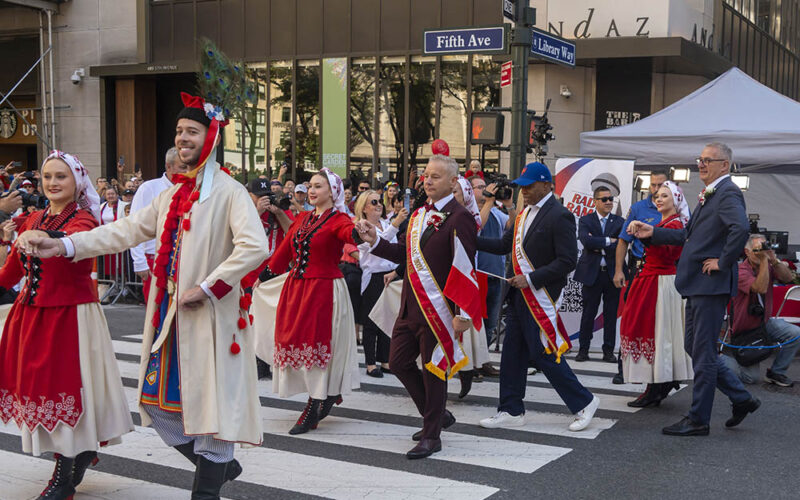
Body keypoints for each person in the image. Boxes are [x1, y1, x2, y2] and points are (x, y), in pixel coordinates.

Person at [24, 93, 270, 497]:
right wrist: (63, 245)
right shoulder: (172, 194)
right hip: (169, 319)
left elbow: (254, 247)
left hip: (211, 321)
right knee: (157, 406)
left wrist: (208, 288)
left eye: (192, 131)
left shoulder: (229, 192)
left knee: (213, 411)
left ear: (211, 138)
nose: (183, 138)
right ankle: (221, 466)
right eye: (179, 131)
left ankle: (209, 481)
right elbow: (123, 231)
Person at [2, 151, 133, 500]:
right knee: (44, 393)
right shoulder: (31, 220)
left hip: (70, 318)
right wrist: (11, 242)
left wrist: (47, 240)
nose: (53, 183)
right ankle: (77, 454)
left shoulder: (84, 220)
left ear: (76, 181)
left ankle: (64, 474)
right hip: (31, 317)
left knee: (67, 392)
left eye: (60, 176)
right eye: (47, 177)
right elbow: (10, 274)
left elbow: (75, 243)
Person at [629, 142, 760, 436]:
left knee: (701, 352)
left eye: (708, 160)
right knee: (695, 348)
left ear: (725, 165)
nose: (701, 164)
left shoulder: (726, 191)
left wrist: (723, 262)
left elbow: (740, 229)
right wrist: (655, 233)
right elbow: (690, 235)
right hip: (700, 284)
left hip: (709, 284)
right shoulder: (712, 193)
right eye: (700, 160)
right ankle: (742, 399)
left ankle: (698, 418)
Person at [355, 154, 477, 459]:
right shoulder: (421, 213)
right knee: (398, 362)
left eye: (435, 176)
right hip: (410, 304)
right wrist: (374, 241)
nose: (427, 180)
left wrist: (462, 313)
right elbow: (404, 254)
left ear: (452, 181)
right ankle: (436, 415)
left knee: (434, 370)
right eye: (425, 175)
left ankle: (431, 435)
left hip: (438, 308)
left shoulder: (460, 216)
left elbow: (464, 266)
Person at [476, 162, 600, 432]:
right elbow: (501, 246)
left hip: (540, 296)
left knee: (543, 353)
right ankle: (511, 409)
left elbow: (567, 260)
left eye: (530, 186)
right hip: (519, 296)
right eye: (522, 186)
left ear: (546, 185)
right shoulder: (522, 215)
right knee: (512, 354)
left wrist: (531, 278)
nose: (525, 191)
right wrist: (467, 239)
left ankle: (584, 402)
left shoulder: (560, 215)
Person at [254, 168, 360, 435]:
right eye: (311, 186)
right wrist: (264, 276)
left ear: (332, 192)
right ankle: (325, 393)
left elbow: (350, 234)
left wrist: (361, 234)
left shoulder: (339, 219)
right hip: (298, 289)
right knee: (295, 341)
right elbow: (284, 250)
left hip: (324, 290)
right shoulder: (302, 219)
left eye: (319, 186)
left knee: (318, 345)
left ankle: (315, 404)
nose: (312, 191)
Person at [619, 182, 693, 407]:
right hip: (653, 281)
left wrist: (647, 234)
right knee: (658, 334)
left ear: (676, 200)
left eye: (665, 196)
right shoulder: (666, 223)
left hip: (660, 283)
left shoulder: (675, 224)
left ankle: (656, 386)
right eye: (657, 196)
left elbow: (671, 248)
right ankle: (658, 384)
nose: (659, 199)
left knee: (658, 334)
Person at [722, 233, 800, 387]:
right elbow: (760, 288)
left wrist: (774, 261)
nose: (762, 253)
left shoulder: (767, 265)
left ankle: (776, 372)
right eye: (758, 250)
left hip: (764, 322)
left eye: (764, 248)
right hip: (745, 330)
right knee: (750, 377)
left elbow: (787, 279)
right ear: (747, 252)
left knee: (795, 334)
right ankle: (713, 358)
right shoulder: (740, 270)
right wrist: (765, 261)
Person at [610, 172, 667, 383]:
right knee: (632, 318)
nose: (657, 189)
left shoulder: (676, 208)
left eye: (661, 185)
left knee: (661, 321)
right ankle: (623, 368)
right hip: (640, 269)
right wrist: (618, 270)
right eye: (653, 185)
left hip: (665, 271)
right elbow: (623, 240)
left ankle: (659, 370)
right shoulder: (639, 208)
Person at [354, 190, 406, 377]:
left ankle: (385, 360)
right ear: (364, 207)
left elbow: (394, 248)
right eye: (373, 202)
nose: (378, 205)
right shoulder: (360, 225)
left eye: (379, 201)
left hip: (390, 275)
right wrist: (395, 224)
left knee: (388, 320)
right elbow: (377, 244)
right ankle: (370, 363)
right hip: (373, 277)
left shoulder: (385, 223)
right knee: (371, 322)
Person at [129, 148, 189, 302]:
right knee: (155, 309)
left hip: (183, 259)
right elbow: (134, 225)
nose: (187, 171)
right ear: (169, 166)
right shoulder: (149, 188)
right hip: (154, 260)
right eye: (182, 167)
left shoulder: (190, 188)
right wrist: (139, 262)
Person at [574, 186, 626, 363]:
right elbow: (586, 241)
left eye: (611, 199)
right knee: (588, 313)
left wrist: (602, 243)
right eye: (604, 199)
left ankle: (609, 351)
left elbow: (621, 244)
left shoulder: (620, 222)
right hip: (591, 273)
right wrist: (608, 241)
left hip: (612, 274)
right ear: (595, 201)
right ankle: (583, 349)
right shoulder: (586, 220)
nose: (609, 202)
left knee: (611, 314)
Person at [452, 176, 492, 397]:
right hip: (438, 281)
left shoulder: (466, 219)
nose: (452, 195)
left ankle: (466, 372)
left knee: (464, 331)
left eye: (456, 192)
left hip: (462, 280)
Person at [471, 175, 513, 363]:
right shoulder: (469, 212)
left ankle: (483, 359)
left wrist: (510, 205)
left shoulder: (496, 212)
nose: (484, 189)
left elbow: (512, 225)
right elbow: (478, 226)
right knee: (475, 323)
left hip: (497, 276)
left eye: (484, 186)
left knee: (490, 325)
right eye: (479, 187)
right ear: (470, 191)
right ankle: (472, 363)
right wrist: (488, 201)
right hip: (477, 276)